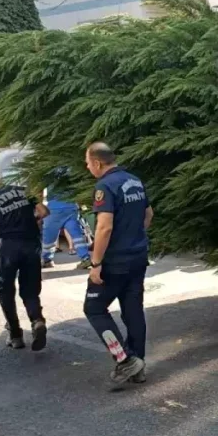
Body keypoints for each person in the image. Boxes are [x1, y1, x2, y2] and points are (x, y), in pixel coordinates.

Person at [82, 142, 153, 387]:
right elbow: (148, 214)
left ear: (98, 163)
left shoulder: (105, 186)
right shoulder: (134, 180)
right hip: (138, 256)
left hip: (115, 261)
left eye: (88, 162)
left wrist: (96, 263)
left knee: (94, 308)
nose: (87, 166)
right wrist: (133, 235)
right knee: (133, 309)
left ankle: (124, 360)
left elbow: (104, 227)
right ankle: (139, 365)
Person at [0, 165, 49, 351]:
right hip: (32, 245)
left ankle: (16, 335)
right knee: (30, 290)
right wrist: (34, 223)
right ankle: (37, 320)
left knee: (5, 290)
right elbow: (44, 211)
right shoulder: (23, 191)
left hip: (9, 248)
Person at [41, 171, 92, 269]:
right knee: (76, 234)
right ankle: (85, 258)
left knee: (49, 236)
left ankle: (46, 259)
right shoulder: (70, 169)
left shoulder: (48, 170)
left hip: (55, 208)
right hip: (71, 207)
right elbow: (79, 189)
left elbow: (40, 190)